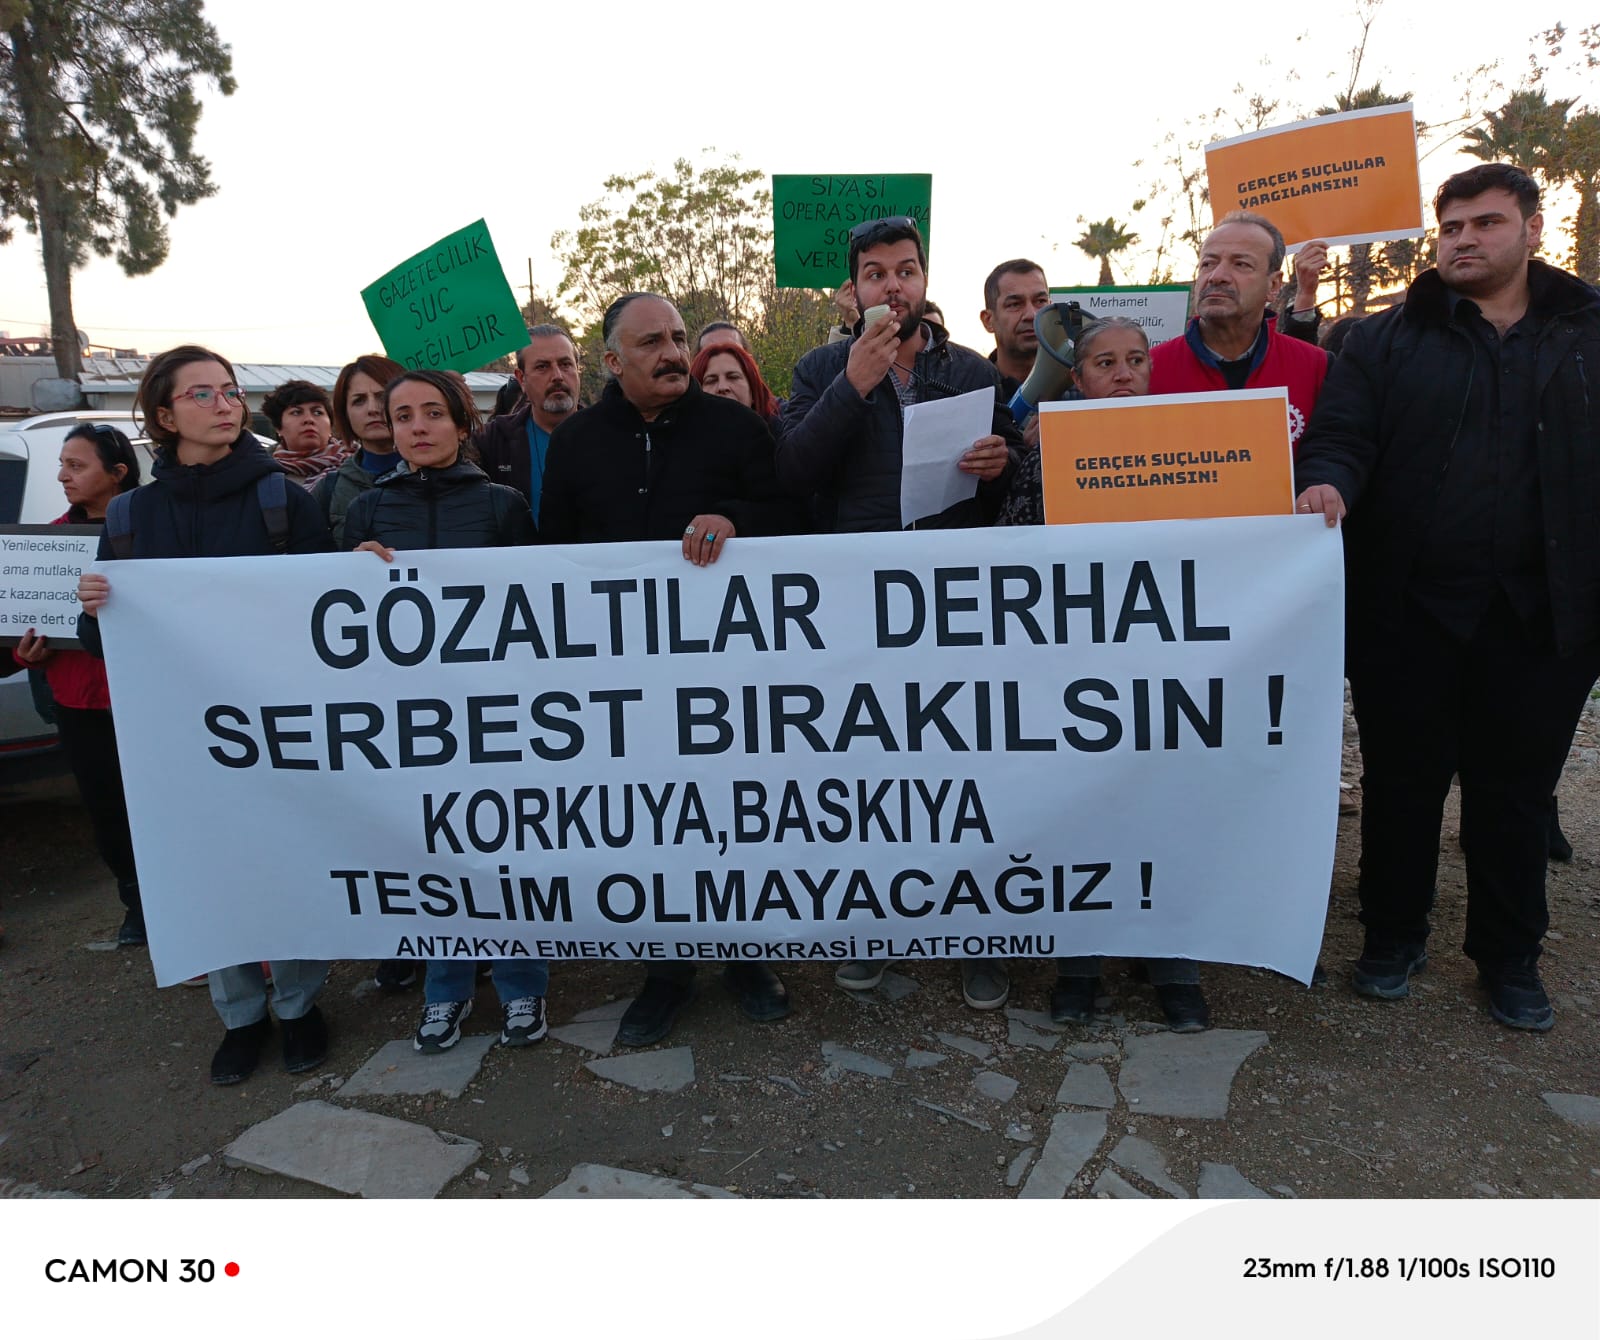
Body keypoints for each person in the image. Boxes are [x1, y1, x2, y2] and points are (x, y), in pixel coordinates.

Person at [1295, 163, 1600, 1033]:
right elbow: (1341, 435)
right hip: (1408, 610)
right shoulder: (1382, 340)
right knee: (1402, 783)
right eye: (1452, 227)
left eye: (1486, 223)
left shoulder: (1588, 330)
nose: (1464, 239)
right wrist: (1326, 481)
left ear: (1533, 228)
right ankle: (1392, 937)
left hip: (1547, 616)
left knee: (1516, 793)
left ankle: (1509, 960)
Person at [540, 292, 800, 1047]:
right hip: (624, 680)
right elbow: (551, 551)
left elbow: (791, 516)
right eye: (652, 342)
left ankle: (745, 955)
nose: (673, 353)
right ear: (612, 361)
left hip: (728, 674)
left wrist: (734, 520)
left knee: (734, 813)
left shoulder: (736, 428)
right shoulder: (577, 443)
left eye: (679, 337)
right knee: (653, 820)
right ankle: (667, 968)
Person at [779, 215, 1022, 1009]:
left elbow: (1011, 488)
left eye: (906, 270)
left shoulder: (972, 371)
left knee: (966, 775)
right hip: (859, 606)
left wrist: (999, 462)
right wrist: (852, 385)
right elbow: (795, 473)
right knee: (874, 778)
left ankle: (980, 934)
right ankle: (875, 927)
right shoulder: (821, 368)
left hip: (954, 605)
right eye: (876, 273)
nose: (893, 285)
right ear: (853, 290)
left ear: (923, 279)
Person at [75, 345, 336, 1084]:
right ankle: (240, 1015)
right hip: (180, 737)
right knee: (204, 866)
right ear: (165, 415)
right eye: (203, 394)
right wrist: (94, 608)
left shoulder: (284, 500)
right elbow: (105, 641)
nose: (225, 405)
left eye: (229, 392)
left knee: (281, 856)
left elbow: (328, 613)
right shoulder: (131, 514)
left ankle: (299, 1004)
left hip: (273, 726)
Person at [995, 317, 1211, 1032]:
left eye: (1136, 360)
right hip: (1076, 673)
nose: (1123, 374)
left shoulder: (1195, 445)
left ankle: (1174, 965)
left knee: (1167, 816)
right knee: (1082, 814)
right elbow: (1013, 557)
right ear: (1078, 379)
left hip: (1167, 669)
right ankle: (1079, 966)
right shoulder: (1044, 454)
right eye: (1105, 363)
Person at [343, 368, 546, 1054]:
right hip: (411, 718)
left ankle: (522, 986)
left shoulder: (503, 506)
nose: (418, 427)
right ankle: (445, 989)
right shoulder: (367, 510)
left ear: (463, 425)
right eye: (403, 416)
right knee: (429, 851)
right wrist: (350, 570)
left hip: (494, 711)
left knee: (507, 849)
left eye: (433, 413)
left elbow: (539, 611)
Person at [12, 425, 145, 946]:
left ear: (117, 473)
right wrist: (25, 652)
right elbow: (24, 623)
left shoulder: (153, 532)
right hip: (78, 702)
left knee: (161, 806)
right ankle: (135, 904)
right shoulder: (46, 542)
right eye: (62, 465)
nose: (63, 477)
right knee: (106, 809)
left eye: (77, 466)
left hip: (148, 698)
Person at [1149, 211, 1330, 450]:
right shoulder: (1149, 372)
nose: (1217, 276)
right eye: (1208, 264)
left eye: (1241, 264)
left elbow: (1335, 450)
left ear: (1274, 285)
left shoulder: (1317, 368)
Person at [474, 325, 583, 519]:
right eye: (542, 367)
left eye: (565, 364)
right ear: (521, 379)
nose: (557, 376)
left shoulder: (611, 436)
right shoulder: (491, 442)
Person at [314, 355, 407, 549]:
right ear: (345, 414)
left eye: (382, 397)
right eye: (359, 401)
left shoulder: (441, 479)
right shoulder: (328, 490)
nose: (372, 409)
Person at [980, 259, 1053, 401]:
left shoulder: (1084, 389)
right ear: (988, 320)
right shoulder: (969, 391)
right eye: (1014, 304)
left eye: (1040, 301)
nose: (1031, 315)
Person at [261, 379, 343, 485]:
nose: (309, 419)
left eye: (318, 412)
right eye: (296, 412)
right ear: (278, 427)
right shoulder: (261, 473)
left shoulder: (356, 466)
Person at [690, 340, 782, 431]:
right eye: (711, 381)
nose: (722, 387)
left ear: (752, 390)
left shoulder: (783, 435)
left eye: (733, 377)